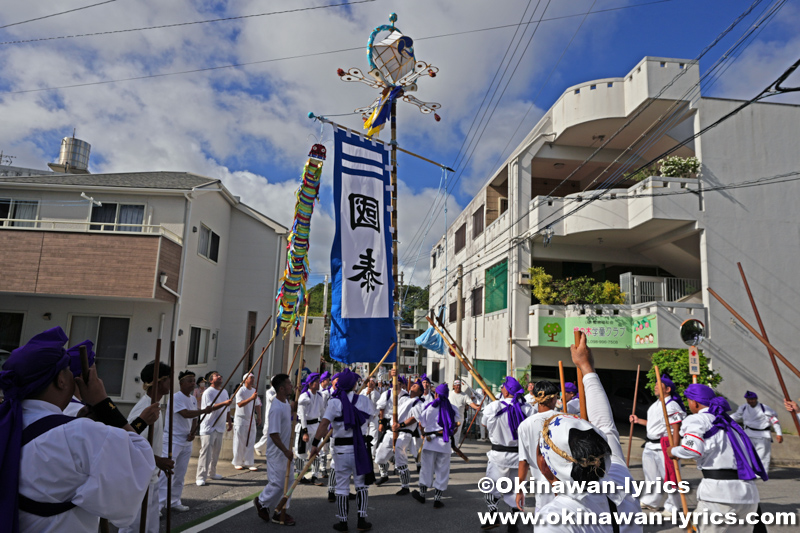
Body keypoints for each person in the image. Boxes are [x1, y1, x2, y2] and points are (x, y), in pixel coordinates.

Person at [1, 327, 155, 533]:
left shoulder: (8, 424)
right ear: (61, 380)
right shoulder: (78, 433)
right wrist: (103, 403)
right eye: (68, 371)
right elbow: (142, 462)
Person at [535, 332, 642, 533]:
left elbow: (605, 427)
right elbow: (606, 425)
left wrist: (587, 367)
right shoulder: (619, 477)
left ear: (545, 467)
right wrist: (586, 367)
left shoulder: (555, 519)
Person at [670, 384, 766, 532]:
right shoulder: (731, 424)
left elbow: (692, 449)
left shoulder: (697, 420)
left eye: (689, 401)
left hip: (718, 496)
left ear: (694, 402)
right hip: (748, 496)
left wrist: (674, 451)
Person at [310, 369, 376, 532]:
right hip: (359, 448)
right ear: (354, 385)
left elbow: (324, 425)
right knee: (361, 486)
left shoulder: (334, 402)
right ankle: (361, 521)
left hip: (340, 450)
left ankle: (343, 522)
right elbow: (374, 418)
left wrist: (315, 445)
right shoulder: (364, 401)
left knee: (341, 487)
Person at [119, 360, 174, 533]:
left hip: (150, 478)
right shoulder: (143, 409)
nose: (172, 383)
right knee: (133, 528)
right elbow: (129, 443)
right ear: (159, 382)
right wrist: (159, 461)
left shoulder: (155, 406)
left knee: (150, 528)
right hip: (139, 481)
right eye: (168, 379)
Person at [482, 376, 535, 530]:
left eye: (503, 386)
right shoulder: (528, 409)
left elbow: (484, 424)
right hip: (520, 458)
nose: (501, 388)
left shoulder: (493, 407)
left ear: (507, 391)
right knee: (516, 490)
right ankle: (513, 523)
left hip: (498, 455)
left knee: (492, 487)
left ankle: (492, 516)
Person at [628, 374, 686, 515]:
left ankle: (672, 507)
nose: (655, 387)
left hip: (665, 446)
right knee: (651, 476)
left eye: (658, 385)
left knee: (670, 476)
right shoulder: (655, 404)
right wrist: (638, 420)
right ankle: (650, 501)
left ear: (667, 389)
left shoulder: (671, 405)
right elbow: (653, 426)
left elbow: (676, 427)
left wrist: (675, 449)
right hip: (650, 445)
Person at [158, 370, 212, 513]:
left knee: (180, 474)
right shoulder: (176, 398)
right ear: (181, 383)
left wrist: (193, 432)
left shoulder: (193, 399)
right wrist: (204, 411)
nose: (193, 383)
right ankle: (157, 505)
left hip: (186, 440)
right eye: (190, 381)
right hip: (173, 439)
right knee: (166, 473)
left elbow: (193, 418)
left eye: (194, 380)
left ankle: (174, 501)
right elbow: (186, 414)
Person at [254, 373, 297, 526]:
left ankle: (281, 511)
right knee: (278, 483)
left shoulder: (285, 402)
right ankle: (261, 501)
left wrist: (294, 410)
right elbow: (273, 434)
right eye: (289, 384)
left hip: (286, 450)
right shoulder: (276, 407)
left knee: (290, 481)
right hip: (277, 452)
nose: (291, 386)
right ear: (281, 388)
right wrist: (285, 450)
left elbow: (290, 414)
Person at [410, 382, 460, 508]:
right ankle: (437, 499)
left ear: (436, 394)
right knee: (442, 471)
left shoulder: (429, 407)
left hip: (430, 443)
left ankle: (422, 495)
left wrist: (423, 433)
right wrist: (448, 433)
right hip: (444, 444)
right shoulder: (453, 409)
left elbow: (422, 424)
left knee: (426, 469)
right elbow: (455, 428)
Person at [515, 380, 560, 514]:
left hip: (542, 488)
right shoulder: (565, 418)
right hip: (566, 485)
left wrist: (520, 490)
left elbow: (524, 461)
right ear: (553, 399)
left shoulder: (525, 425)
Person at [381, 377, 425, 495]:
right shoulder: (404, 398)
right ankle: (394, 458)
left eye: (415, 386)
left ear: (420, 392)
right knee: (380, 457)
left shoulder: (418, 402)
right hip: (391, 431)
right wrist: (393, 375)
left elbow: (414, 418)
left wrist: (400, 425)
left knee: (401, 459)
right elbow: (395, 387)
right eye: (412, 385)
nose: (412, 386)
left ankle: (405, 486)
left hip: (404, 432)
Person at [196, 371, 234, 486]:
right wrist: (224, 403)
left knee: (216, 452)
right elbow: (209, 407)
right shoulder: (208, 392)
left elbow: (227, 409)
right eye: (216, 375)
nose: (220, 376)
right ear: (211, 380)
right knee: (206, 452)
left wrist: (229, 421)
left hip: (220, 426)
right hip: (209, 426)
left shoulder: (224, 391)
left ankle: (212, 473)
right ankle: (201, 476)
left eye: (220, 375)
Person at [731, 391, 782, 472]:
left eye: (752, 399)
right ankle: (749, 471)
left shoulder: (764, 408)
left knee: (763, 456)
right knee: (748, 454)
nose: (750, 401)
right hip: (748, 434)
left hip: (763, 435)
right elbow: (736, 416)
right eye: (748, 399)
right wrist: (724, 418)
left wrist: (779, 434)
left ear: (756, 399)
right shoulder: (743, 407)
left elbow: (775, 421)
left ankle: (761, 472)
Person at [375, 374, 408, 485]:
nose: (396, 386)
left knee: (400, 456)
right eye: (394, 384)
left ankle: (405, 485)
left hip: (401, 429)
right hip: (388, 426)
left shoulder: (406, 397)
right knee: (379, 456)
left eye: (398, 384)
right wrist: (381, 423)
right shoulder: (387, 394)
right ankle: (384, 474)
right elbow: (381, 408)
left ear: (402, 384)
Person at [296, 372, 324, 485]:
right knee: (301, 453)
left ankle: (315, 475)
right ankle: (300, 474)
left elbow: (322, 413)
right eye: (316, 382)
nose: (318, 384)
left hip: (316, 426)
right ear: (311, 384)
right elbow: (302, 416)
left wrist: (323, 427)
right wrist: (305, 432)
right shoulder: (304, 397)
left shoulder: (319, 396)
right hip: (304, 426)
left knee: (317, 451)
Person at [232, 372, 262, 470]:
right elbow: (240, 404)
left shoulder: (254, 391)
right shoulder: (240, 391)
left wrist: (259, 416)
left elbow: (257, 404)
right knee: (239, 441)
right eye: (251, 378)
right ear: (245, 380)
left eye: (253, 378)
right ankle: (237, 461)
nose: (253, 380)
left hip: (251, 419)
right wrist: (251, 398)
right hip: (241, 419)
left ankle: (249, 462)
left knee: (251, 440)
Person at [450, 379, 481, 446]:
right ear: (453, 386)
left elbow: (470, 403)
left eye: (459, 385)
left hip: (459, 418)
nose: (458, 387)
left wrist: (476, 407)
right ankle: (448, 448)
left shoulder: (464, 395)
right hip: (449, 417)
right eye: (457, 385)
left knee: (457, 434)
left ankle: (454, 448)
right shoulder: (449, 394)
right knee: (449, 433)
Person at [254, 381, 277, 457]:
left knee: (275, 434)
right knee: (267, 433)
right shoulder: (269, 392)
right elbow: (271, 399)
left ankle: (271, 450)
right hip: (270, 416)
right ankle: (258, 447)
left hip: (276, 415)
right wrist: (279, 393)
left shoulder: (278, 391)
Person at [317, 371, 333, 478]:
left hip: (327, 422)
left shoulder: (328, 392)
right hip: (320, 421)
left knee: (326, 445)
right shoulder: (322, 393)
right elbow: (321, 409)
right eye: (328, 379)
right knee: (321, 446)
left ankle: (324, 467)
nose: (329, 382)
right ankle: (321, 468)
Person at [361, 377, 381, 458]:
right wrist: (366, 393)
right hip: (364, 417)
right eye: (370, 382)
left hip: (373, 417)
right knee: (364, 434)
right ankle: (364, 452)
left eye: (373, 382)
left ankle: (372, 453)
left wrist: (375, 414)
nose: (371, 383)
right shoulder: (362, 392)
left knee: (373, 436)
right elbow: (360, 401)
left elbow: (379, 406)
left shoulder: (377, 394)